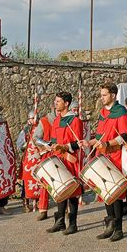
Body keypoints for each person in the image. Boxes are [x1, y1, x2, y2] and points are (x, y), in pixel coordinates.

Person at [80, 82, 127, 242]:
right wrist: (90, 142)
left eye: (104, 95)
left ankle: (119, 229)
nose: (101, 98)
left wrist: (107, 144)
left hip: (115, 157)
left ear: (113, 95)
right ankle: (110, 225)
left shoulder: (121, 111)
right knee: (106, 192)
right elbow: (101, 136)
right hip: (103, 156)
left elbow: (124, 136)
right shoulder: (103, 112)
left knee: (115, 194)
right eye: (101, 95)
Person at [45, 92, 83, 235]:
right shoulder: (56, 120)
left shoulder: (75, 120)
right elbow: (54, 140)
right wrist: (51, 146)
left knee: (72, 191)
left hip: (69, 159)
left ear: (66, 103)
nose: (56, 103)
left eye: (58, 101)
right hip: (58, 159)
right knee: (60, 189)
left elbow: (78, 143)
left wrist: (65, 147)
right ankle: (60, 222)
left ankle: (73, 224)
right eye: (55, 101)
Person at [32, 110, 56, 221]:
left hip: (61, 152)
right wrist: (46, 144)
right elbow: (36, 138)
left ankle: (65, 209)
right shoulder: (44, 121)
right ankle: (43, 209)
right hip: (47, 154)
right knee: (44, 183)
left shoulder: (66, 119)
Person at [16, 110, 37, 213]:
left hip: (37, 158)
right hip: (27, 158)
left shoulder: (39, 129)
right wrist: (27, 144)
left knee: (37, 180)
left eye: (35, 118)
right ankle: (25, 202)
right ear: (29, 119)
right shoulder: (25, 131)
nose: (34, 120)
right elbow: (19, 145)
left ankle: (36, 200)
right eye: (32, 118)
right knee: (26, 180)